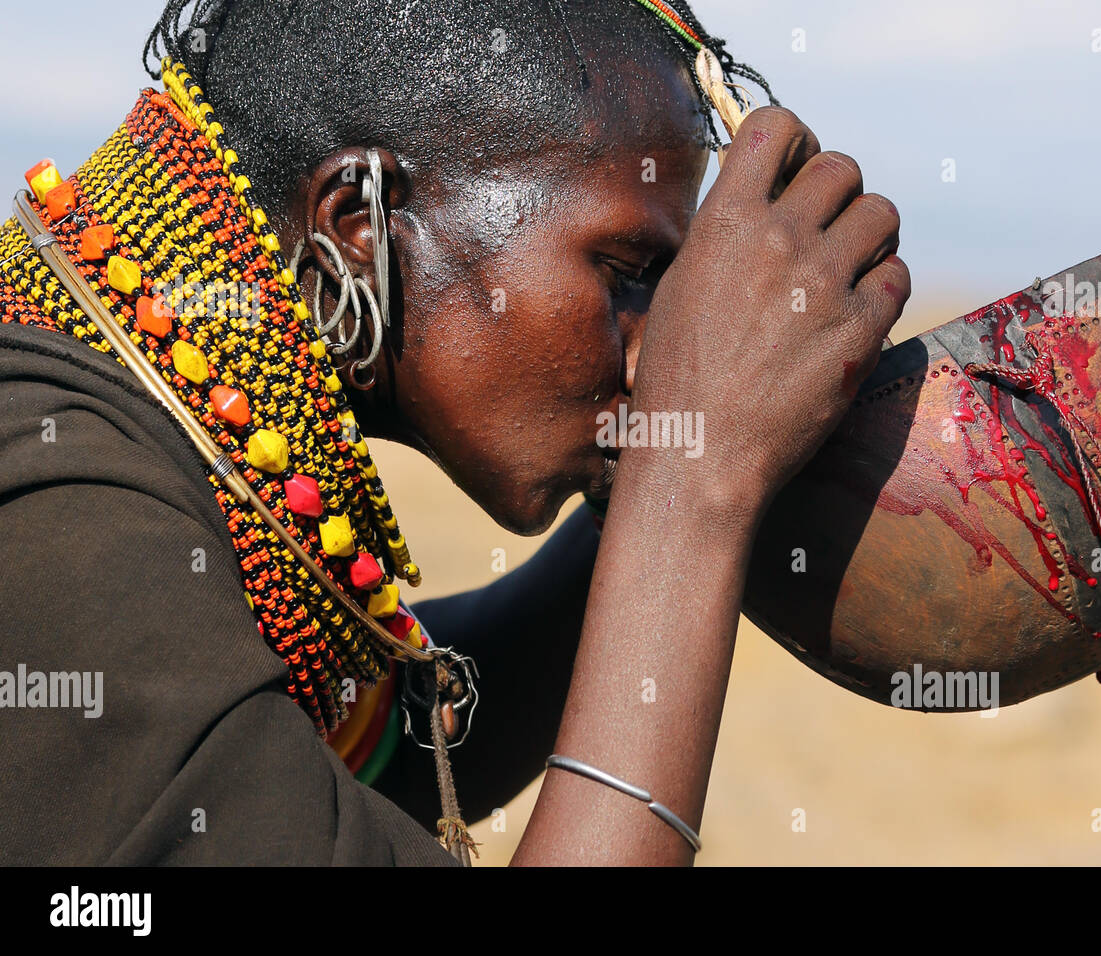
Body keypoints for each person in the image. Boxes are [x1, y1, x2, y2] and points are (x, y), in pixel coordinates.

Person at [0, 0, 906, 866]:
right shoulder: (54, 499)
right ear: (358, 230)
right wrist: (695, 487)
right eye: (628, 274)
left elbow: (355, 741)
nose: (653, 358)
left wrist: (706, 452)